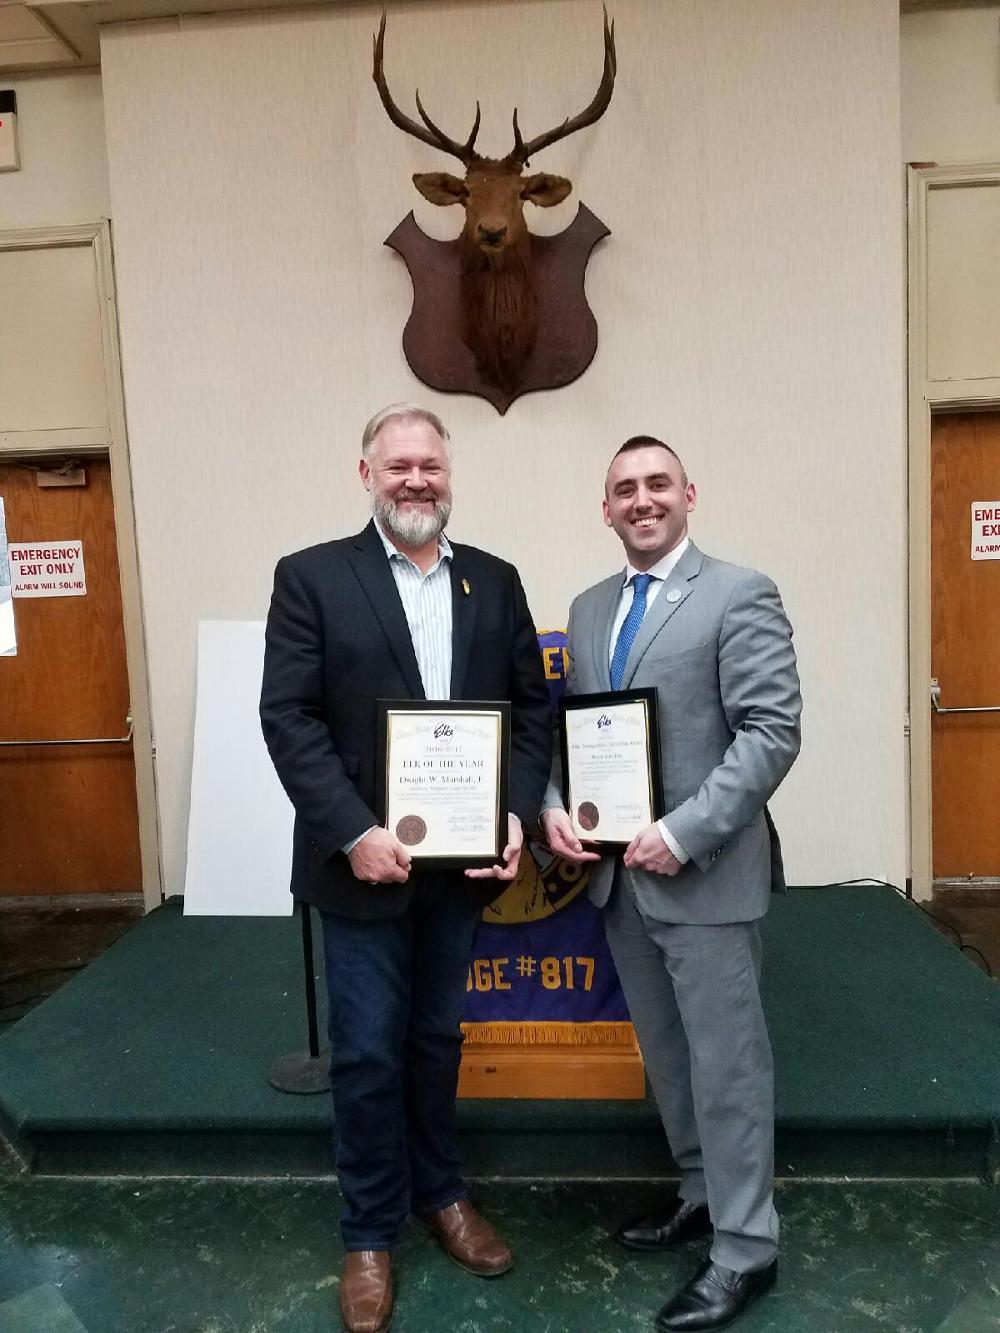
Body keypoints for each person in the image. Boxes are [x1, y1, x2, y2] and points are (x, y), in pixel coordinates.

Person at [260, 404, 551, 1333]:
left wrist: (512, 812)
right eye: (399, 466)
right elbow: (288, 719)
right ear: (366, 474)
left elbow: (531, 713)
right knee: (368, 1050)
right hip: (362, 867)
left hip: (461, 869)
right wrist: (353, 830)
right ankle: (369, 1230)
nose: (417, 479)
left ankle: (443, 1194)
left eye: (430, 463)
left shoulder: (495, 583)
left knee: (435, 1040)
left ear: (448, 473)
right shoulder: (310, 578)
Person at [541, 436, 801, 1332]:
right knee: (669, 1054)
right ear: (604, 508)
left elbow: (770, 732)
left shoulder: (740, 592)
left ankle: (745, 1248)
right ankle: (700, 1191)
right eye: (624, 489)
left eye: (658, 483)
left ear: (690, 493)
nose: (642, 499)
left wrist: (682, 832)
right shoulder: (586, 608)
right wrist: (552, 807)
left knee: (730, 1064)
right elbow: (572, 733)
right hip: (619, 883)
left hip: (707, 878)